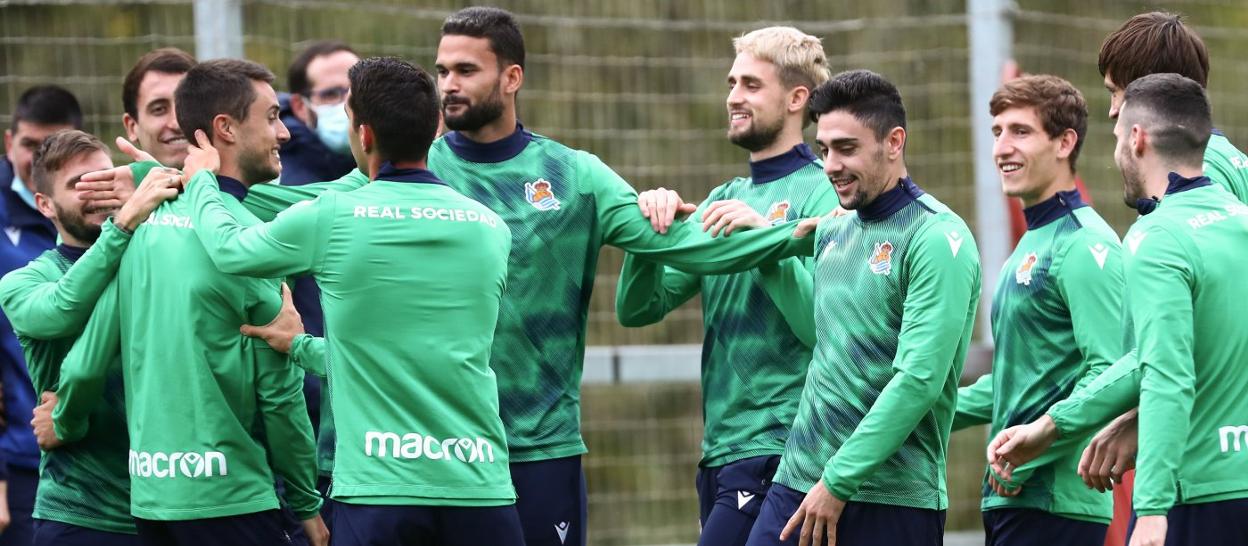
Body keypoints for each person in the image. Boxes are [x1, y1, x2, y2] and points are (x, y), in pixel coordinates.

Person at [175, 55, 525, 546]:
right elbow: (423, 355)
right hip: (480, 487)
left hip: (380, 492)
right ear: (434, 129)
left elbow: (231, 250)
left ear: (363, 135)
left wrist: (202, 183)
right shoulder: (491, 228)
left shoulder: (334, 216)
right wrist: (300, 346)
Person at [32, 59, 326, 546]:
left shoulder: (136, 228)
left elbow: (88, 357)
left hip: (150, 503)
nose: (285, 134)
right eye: (272, 117)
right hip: (231, 498)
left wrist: (65, 419)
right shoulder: (250, 242)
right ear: (225, 129)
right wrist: (306, 504)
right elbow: (280, 397)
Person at [988, 73, 1248, 546]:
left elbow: (1165, 371)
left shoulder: (1156, 236)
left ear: (1137, 138)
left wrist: (1150, 509)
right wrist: (1054, 425)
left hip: (1198, 491)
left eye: (1114, 137)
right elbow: (1159, 355)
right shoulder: (1240, 218)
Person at [614, 26, 837, 546]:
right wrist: (649, 236)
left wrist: (767, 245)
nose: (734, 96)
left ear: (796, 99)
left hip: (785, 444)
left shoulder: (826, 192)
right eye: (732, 82)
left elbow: (820, 329)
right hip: (719, 449)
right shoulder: (723, 195)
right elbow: (638, 308)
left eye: (752, 85)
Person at [743, 69, 981, 546]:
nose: (830, 164)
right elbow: (824, 340)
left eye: (846, 148)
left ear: (894, 142)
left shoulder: (938, 239)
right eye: (824, 149)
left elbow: (918, 381)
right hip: (798, 483)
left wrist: (838, 481)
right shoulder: (832, 229)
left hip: (888, 499)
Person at [949, 75, 1123, 545]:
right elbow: (1013, 381)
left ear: (1065, 142)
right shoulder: (1031, 243)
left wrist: (1034, 452)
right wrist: (927, 409)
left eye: (1020, 132)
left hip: (1058, 499)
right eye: (997, 132)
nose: (1002, 147)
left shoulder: (1086, 245)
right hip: (1012, 495)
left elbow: (1109, 372)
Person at [0, 129, 174, 545]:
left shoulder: (163, 259)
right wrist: (127, 222)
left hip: (174, 504)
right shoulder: (24, 281)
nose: (98, 190)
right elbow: (63, 308)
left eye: (106, 176)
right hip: (82, 515)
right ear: (44, 204)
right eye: (79, 184)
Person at [0, 83, 82, 546]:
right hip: (19, 459)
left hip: (102, 454)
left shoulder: (101, 216)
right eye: (30, 145)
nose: (38, 159)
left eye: (51, 145)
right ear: (9, 142)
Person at [121, 48, 197, 170]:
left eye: (188, 106)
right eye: (159, 109)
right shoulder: (114, 188)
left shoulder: (235, 187)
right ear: (131, 126)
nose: (177, 123)